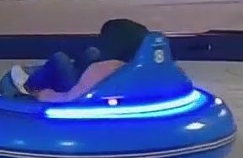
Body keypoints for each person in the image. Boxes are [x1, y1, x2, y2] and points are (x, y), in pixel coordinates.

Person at [9, 19, 149, 103]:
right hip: (97, 88)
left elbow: (70, 98)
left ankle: (28, 87)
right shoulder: (137, 64)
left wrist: (44, 95)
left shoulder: (103, 69)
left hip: (83, 98)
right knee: (91, 53)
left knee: (59, 59)